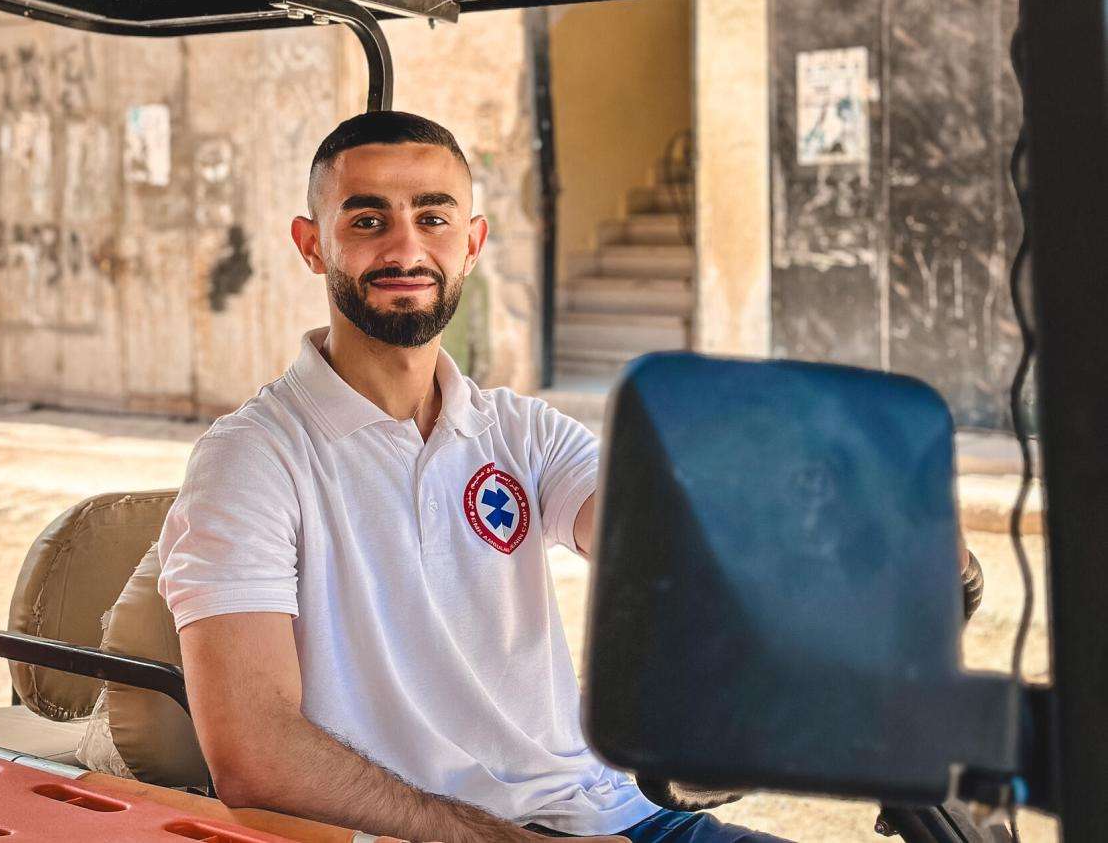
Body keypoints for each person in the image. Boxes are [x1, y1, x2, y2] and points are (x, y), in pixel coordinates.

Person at [157, 110, 789, 843]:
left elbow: (661, 535)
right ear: (311, 244)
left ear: (472, 243)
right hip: (426, 833)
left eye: (433, 217)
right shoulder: (252, 459)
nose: (406, 247)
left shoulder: (521, 430)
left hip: (616, 812)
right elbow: (254, 754)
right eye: (367, 220)